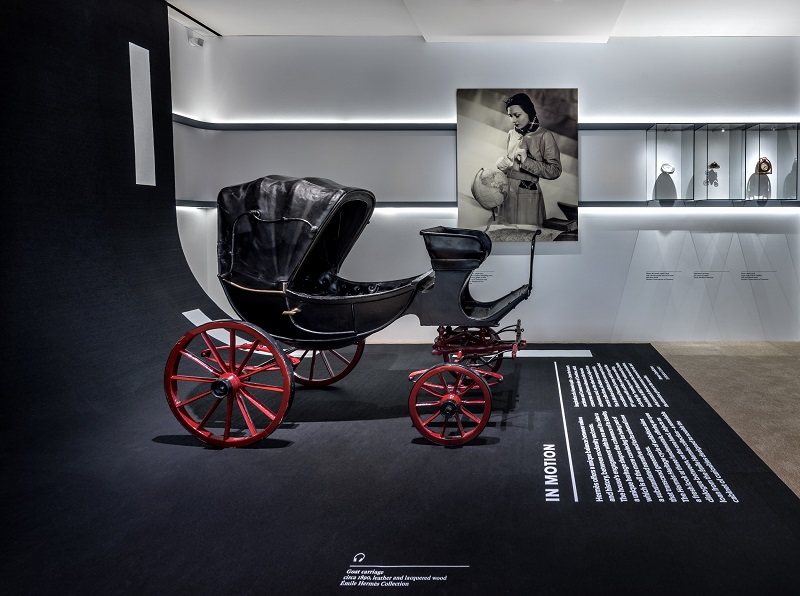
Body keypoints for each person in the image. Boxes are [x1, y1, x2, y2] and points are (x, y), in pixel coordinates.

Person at [494, 93, 562, 226]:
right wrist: (502, 164)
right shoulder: (511, 134)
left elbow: (555, 170)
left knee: (527, 234)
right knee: (505, 233)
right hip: (507, 196)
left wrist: (526, 162)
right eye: (510, 116)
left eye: (517, 115)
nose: (513, 120)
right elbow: (511, 163)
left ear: (529, 112)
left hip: (528, 198)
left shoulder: (544, 136)